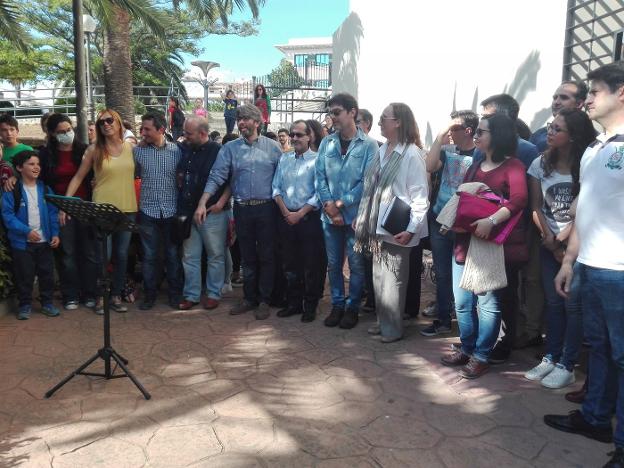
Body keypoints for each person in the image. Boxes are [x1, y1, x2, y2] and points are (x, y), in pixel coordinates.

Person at [543, 62, 624, 468]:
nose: (588, 99)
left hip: (619, 272)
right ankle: (595, 418)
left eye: (595, 91)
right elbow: (585, 211)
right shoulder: (595, 149)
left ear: (621, 93)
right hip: (589, 265)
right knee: (601, 350)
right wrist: (569, 261)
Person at [441, 113, 528, 379]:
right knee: (463, 301)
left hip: (490, 245)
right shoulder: (476, 163)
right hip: (465, 240)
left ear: (498, 135)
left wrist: (491, 220)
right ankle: (467, 348)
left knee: (487, 302)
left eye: (482, 132)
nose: (476, 136)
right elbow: (463, 195)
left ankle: (482, 355)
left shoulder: (513, 166)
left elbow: (519, 201)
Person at [524, 108, 596, 388]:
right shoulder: (540, 163)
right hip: (547, 243)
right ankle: (551, 357)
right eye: (550, 127)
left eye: (557, 129)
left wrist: (564, 239)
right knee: (554, 303)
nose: (549, 133)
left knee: (572, 306)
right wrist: (548, 238)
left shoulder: (587, 163)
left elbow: (586, 208)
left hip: (577, 246)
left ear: (573, 136)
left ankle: (568, 362)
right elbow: (535, 206)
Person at [195, 104, 282, 320]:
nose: (240, 122)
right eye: (239, 119)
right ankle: (250, 298)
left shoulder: (273, 148)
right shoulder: (230, 149)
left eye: (245, 119)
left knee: (267, 256)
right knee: (247, 257)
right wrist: (202, 202)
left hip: (267, 210)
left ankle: (264, 300)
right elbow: (217, 177)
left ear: (257, 122)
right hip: (242, 209)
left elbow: (282, 180)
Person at [354, 102, 429, 342]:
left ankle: (393, 329)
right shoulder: (383, 149)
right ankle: (383, 321)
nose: (379, 122)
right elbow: (372, 187)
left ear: (397, 122)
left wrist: (410, 229)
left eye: (384, 118)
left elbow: (420, 197)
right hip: (378, 225)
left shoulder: (411, 154)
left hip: (397, 228)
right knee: (379, 279)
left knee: (394, 281)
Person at [479, 93, 539, 360]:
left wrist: (495, 219)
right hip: (482, 234)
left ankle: (506, 340)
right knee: (487, 293)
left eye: (488, 118)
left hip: (508, 234)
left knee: (506, 292)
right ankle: (485, 341)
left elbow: (522, 199)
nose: (480, 128)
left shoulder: (524, 152)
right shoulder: (480, 158)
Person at [315, 93, 378, 329]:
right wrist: (329, 206)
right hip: (329, 216)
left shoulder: (369, 145)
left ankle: (352, 307)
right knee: (333, 264)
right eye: (331, 112)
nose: (333, 117)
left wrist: (341, 203)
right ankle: (337, 305)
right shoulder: (326, 142)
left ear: (352, 112)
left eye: (337, 112)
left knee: (356, 263)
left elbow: (368, 181)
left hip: (354, 218)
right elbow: (319, 176)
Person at [64, 109, 137, 314]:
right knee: (102, 255)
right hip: (102, 210)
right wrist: (66, 203)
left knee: (122, 255)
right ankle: (100, 297)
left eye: (109, 120)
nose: (105, 124)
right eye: (101, 122)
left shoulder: (131, 147)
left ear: (119, 122)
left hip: (127, 208)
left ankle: (115, 295)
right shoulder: (94, 149)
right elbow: (79, 177)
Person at [420, 110, 478, 337]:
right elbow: (430, 165)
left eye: (454, 128)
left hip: (463, 224)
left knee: (463, 276)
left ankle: (466, 325)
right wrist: (441, 134)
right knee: (442, 273)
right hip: (439, 220)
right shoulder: (447, 151)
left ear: (468, 130)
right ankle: (443, 319)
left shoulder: (479, 154)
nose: (450, 132)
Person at [38, 113, 97, 311]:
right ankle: (70, 295)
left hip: (84, 207)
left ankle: (89, 293)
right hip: (60, 209)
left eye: (69, 130)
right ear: (53, 134)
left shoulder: (84, 150)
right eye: (61, 132)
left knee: (88, 253)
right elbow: (42, 181)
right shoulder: (45, 155)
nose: (66, 134)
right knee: (67, 254)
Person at [272, 120, 325, 322]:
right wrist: (286, 212)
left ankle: (310, 306)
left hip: (308, 219)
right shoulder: (284, 159)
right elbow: (276, 188)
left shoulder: (318, 160)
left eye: (299, 135)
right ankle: (293, 303)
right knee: (290, 263)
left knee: (310, 264)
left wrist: (300, 214)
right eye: (292, 134)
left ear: (309, 137)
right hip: (286, 217)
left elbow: (320, 193)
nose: (294, 138)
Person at [177, 116, 230, 311]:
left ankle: (213, 293)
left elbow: (231, 180)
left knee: (215, 255)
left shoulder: (219, 152)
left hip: (213, 212)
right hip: (188, 211)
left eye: (189, 134)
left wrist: (221, 203)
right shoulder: (186, 150)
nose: (185, 137)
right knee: (190, 256)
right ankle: (191, 295)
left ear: (203, 133)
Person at [133, 112, 183, 310]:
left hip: (171, 211)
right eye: (141, 129)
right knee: (149, 256)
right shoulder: (137, 152)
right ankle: (150, 295)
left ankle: (174, 295)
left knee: (172, 255)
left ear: (161, 130)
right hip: (148, 211)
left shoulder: (177, 151)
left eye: (147, 129)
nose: (142, 132)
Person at [1, 150, 60, 320]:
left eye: (38, 164)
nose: (36, 167)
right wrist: (26, 231)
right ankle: (25, 305)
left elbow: (53, 213)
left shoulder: (46, 189)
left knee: (47, 274)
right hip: (22, 243)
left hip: (44, 242)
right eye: (31, 164)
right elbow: (7, 216)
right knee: (24, 275)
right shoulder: (12, 191)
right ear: (19, 168)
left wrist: (55, 233)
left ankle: (47, 303)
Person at [530, 81, 588, 153]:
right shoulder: (538, 135)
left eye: (564, 98)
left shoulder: (593, 140)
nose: (556, 102)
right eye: (555, 98)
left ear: (579, 104)